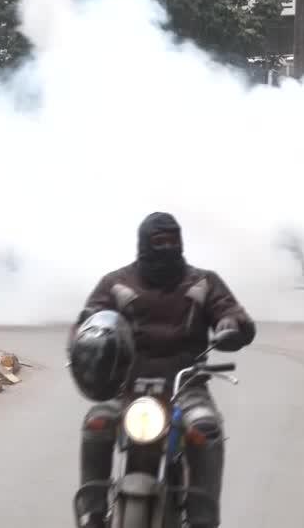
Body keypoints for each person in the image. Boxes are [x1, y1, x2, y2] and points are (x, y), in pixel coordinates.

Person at [70, 212, 256, 528]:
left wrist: (231, 324)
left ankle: (202, 518)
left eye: (172, 241)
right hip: (125, 386)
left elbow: (234, 314)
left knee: (206, 429)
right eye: (159, 242)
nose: (166, 247)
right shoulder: (116, 284)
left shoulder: (203, 282)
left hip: (186, 387)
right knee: (97, 423)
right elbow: (88, 322)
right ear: (144, 244)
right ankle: (93, 512)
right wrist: (84, 347)